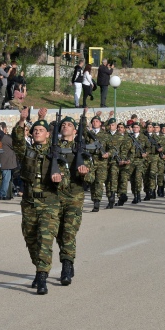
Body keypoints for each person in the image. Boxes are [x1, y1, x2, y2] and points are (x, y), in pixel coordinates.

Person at [12, 107, 63, 295]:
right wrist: (21, 120)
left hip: (49, 203)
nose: (37, 132)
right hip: (29, 202)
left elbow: (66, 174)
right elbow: (17, 141)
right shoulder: (27, 151)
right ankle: (38, 266)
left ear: (48, 134)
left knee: (45, 240)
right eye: (34, 130)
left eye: (40, 130)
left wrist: (60, 178)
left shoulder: (57, 152)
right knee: (30, 238)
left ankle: (42, 275)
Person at [56, 116, 92, 286]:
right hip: (54, 196)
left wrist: (85, 173)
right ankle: (67, 257)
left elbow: (92, 177)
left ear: (75, 131)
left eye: (69, 125)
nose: (65, 127)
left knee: (69, 232)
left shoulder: (82, 149)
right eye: (63, 124)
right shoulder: (53, 147)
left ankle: (66, 265)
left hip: (74, 197)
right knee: (58, 233)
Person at [0, 122, 16, 200]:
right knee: (5, 180)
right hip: (6, 162)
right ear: (4, 129)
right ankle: (2, 195)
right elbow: (14, 145)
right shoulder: (6, 138)